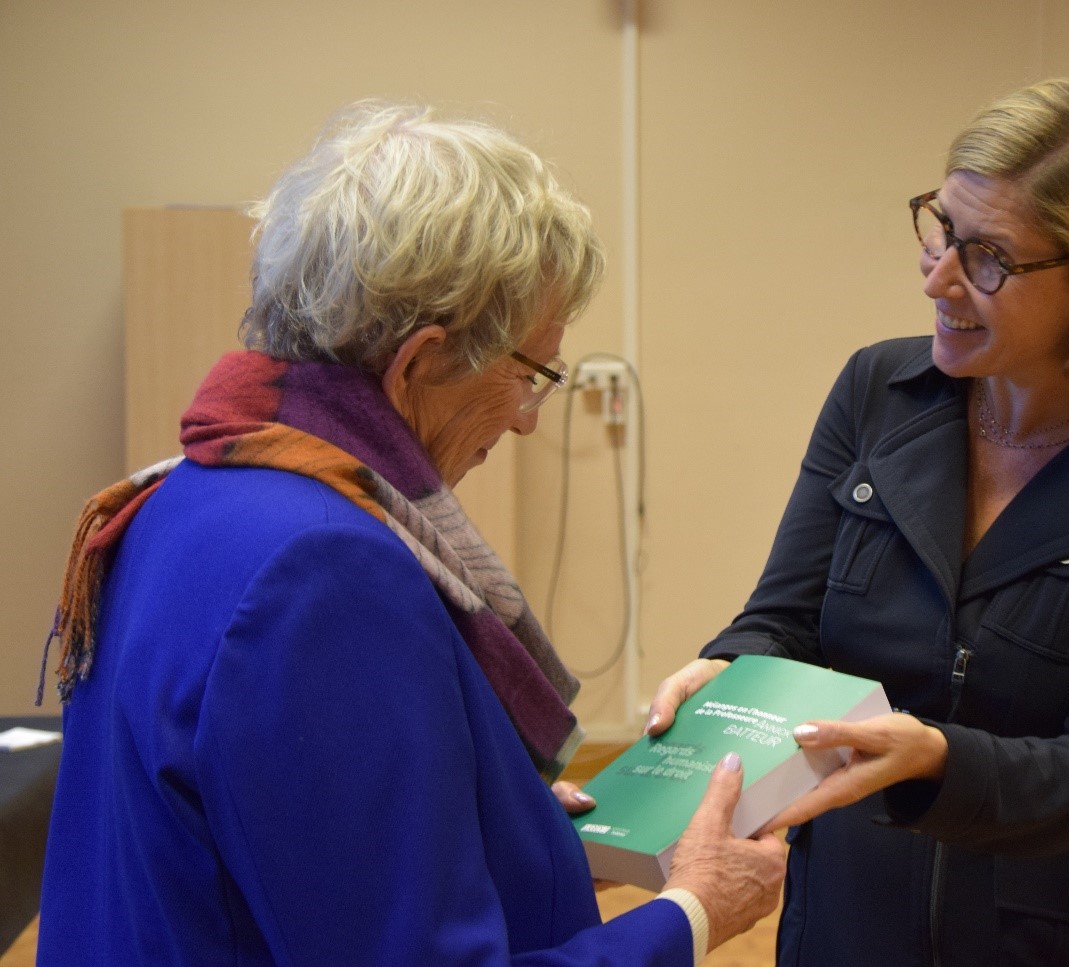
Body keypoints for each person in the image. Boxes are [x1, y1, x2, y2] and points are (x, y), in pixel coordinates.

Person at [37, 101, 783, 966]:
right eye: (532, 373)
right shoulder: (326, 569)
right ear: (422, 360)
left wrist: (518, 845)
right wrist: (692, 910)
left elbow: (289, 860)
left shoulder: (183, 491)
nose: (530, 421)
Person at [644, 78, 1069, 966]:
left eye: (990, 258)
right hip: (840, 922)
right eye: (941, 229)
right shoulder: (875, 393)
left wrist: (936, 758)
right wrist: (729, 669)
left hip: (1043, 937)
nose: (938, 278)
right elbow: (785, 619)